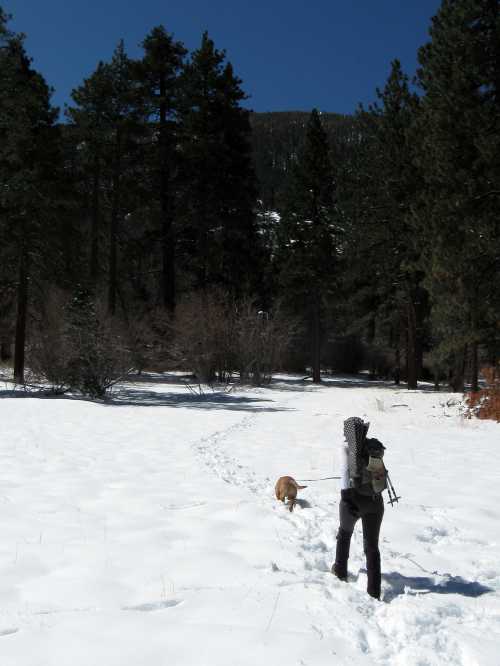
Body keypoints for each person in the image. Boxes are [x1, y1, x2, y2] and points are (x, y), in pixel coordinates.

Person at [332, 416, 384, 600]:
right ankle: (374, 590)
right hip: (376, 502)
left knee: (344, 534)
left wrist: (346, 499)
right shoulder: (372, 449)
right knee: (372, 546)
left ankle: (340, 570)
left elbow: (344, 475)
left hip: (353, 500)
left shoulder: (347, 449)